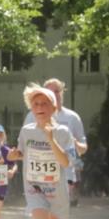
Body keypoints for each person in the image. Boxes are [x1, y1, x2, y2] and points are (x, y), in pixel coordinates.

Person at [9, 84, 76, 219]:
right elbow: (22, 152)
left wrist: (51, 139)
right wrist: (15, 155)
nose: (40, 108)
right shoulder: (26, 131)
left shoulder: (63, 132)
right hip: (34, 187)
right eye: (36, 104)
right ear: (31, 108)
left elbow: (66, 162)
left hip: (57, 190)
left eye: (44, 104)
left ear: (53, 108)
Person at [24, 78, 87, 206]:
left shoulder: (72, 117)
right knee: (42, 214)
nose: (54, 94)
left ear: (62, 93)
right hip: (39, 174)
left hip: (65, 174)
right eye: (49, 91)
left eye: (57, 91)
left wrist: (73, 141)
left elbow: (83, 148)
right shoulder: (32, 115)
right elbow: (24, 143)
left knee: (57, 215)